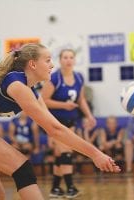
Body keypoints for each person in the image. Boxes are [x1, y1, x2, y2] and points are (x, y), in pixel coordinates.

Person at [0, 43, 119, 200]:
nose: (52, 65)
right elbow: (55, 130)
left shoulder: (31, 92)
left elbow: (56, 128)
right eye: (47, 60)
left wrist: (92, 152)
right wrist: (95, 154)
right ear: (32, 64)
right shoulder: (16, 84)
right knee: (22, 169)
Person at [41, 49, 96, 198]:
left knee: (60, 154)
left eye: (71, 57)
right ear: (60, 60)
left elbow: (81, 99)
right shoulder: (55, 78)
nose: (68, 60)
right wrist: (64, 105)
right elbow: (43, 101)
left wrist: (89, 115)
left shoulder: (79, 78)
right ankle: (71, 187)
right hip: (55, 122)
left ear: (75, 60)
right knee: (66, 152)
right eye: (65, 57)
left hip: (70, 121)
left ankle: (55, 188)